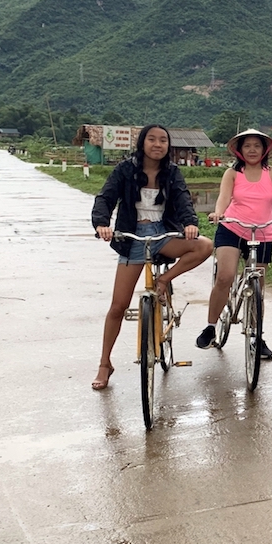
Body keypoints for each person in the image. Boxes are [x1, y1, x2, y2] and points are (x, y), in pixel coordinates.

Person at [90, 124, 214, 390]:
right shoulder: (125, 170)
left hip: (163, 235)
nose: (158, 145)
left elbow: (183, 201)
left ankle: (163, 281)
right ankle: (104, 363)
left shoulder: (172, 173)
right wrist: (102, 223)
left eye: (163, 141)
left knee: (204, 246)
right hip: (132, 236)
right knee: (118, 306)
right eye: (152, 140)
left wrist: (190, 223)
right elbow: (105, 198)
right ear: (142, 143)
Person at [197, 129, 272, 357]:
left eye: (256, 146)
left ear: (264, 149)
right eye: (247, 146)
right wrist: (218, 213)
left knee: (258, 289)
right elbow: (224, 197)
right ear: (239, 150)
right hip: (232, 228)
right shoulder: (232, 173)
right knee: (225, 276)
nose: (251, 150)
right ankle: (211, 327)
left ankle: (257, 336)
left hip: (263, 232)